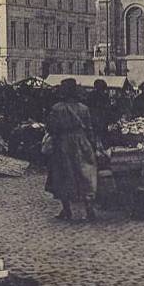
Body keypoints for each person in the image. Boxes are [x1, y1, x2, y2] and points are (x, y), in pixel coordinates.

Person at [45, 78, 97, 222]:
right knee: (84, 175)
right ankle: (89, 209)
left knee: (63, 176)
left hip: (63, 143)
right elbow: (90, 128)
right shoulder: (83, 108)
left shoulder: (57, 108)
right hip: (82, 142)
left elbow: (51, 127)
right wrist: (92, 145)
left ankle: (67, 210)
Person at [86, 78, 111, 147]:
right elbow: (108, 108)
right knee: (103, 136)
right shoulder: (105, 96)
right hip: (101, 119)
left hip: (94, 118)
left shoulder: (90, 95)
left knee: (95, 136)